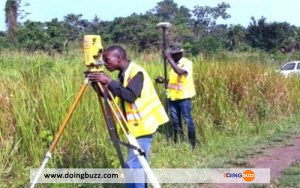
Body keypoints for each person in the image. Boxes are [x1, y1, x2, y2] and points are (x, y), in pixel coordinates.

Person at [88, 45, 169, 187]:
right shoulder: (124, 75)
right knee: (137, 165)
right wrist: (96, 84)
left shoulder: (137, 73)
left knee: (134, 165)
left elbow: (130, 96)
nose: (105, 64)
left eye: (107, 60)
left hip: (143, 127)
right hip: (133, 128)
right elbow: (110, 95)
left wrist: (109, 81)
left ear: (119, 58)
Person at [164, 44, 197, 148]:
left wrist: (168, 58)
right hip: (173, 98)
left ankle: (193, 144)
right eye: (171, 55)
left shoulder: (186, 63)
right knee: (175, 121)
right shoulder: (173, 65)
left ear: (179, 54)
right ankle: (179, 141)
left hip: (184, 98)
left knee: (188, 120)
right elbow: (173, 81)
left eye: (173, 55)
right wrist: (164, 81)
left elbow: (179, 72)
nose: (172, 56)